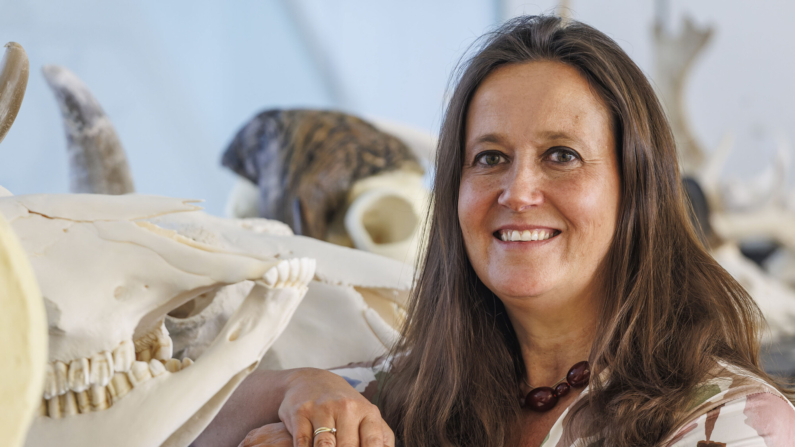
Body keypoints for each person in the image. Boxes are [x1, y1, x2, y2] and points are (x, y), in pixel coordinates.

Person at [193, 15, 795, 447]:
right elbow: (167, 426)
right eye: (489, 158)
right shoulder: (406, 389)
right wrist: (300, 389)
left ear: (636, 190)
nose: (518, 192)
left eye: (561, 155)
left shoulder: (738, 424)